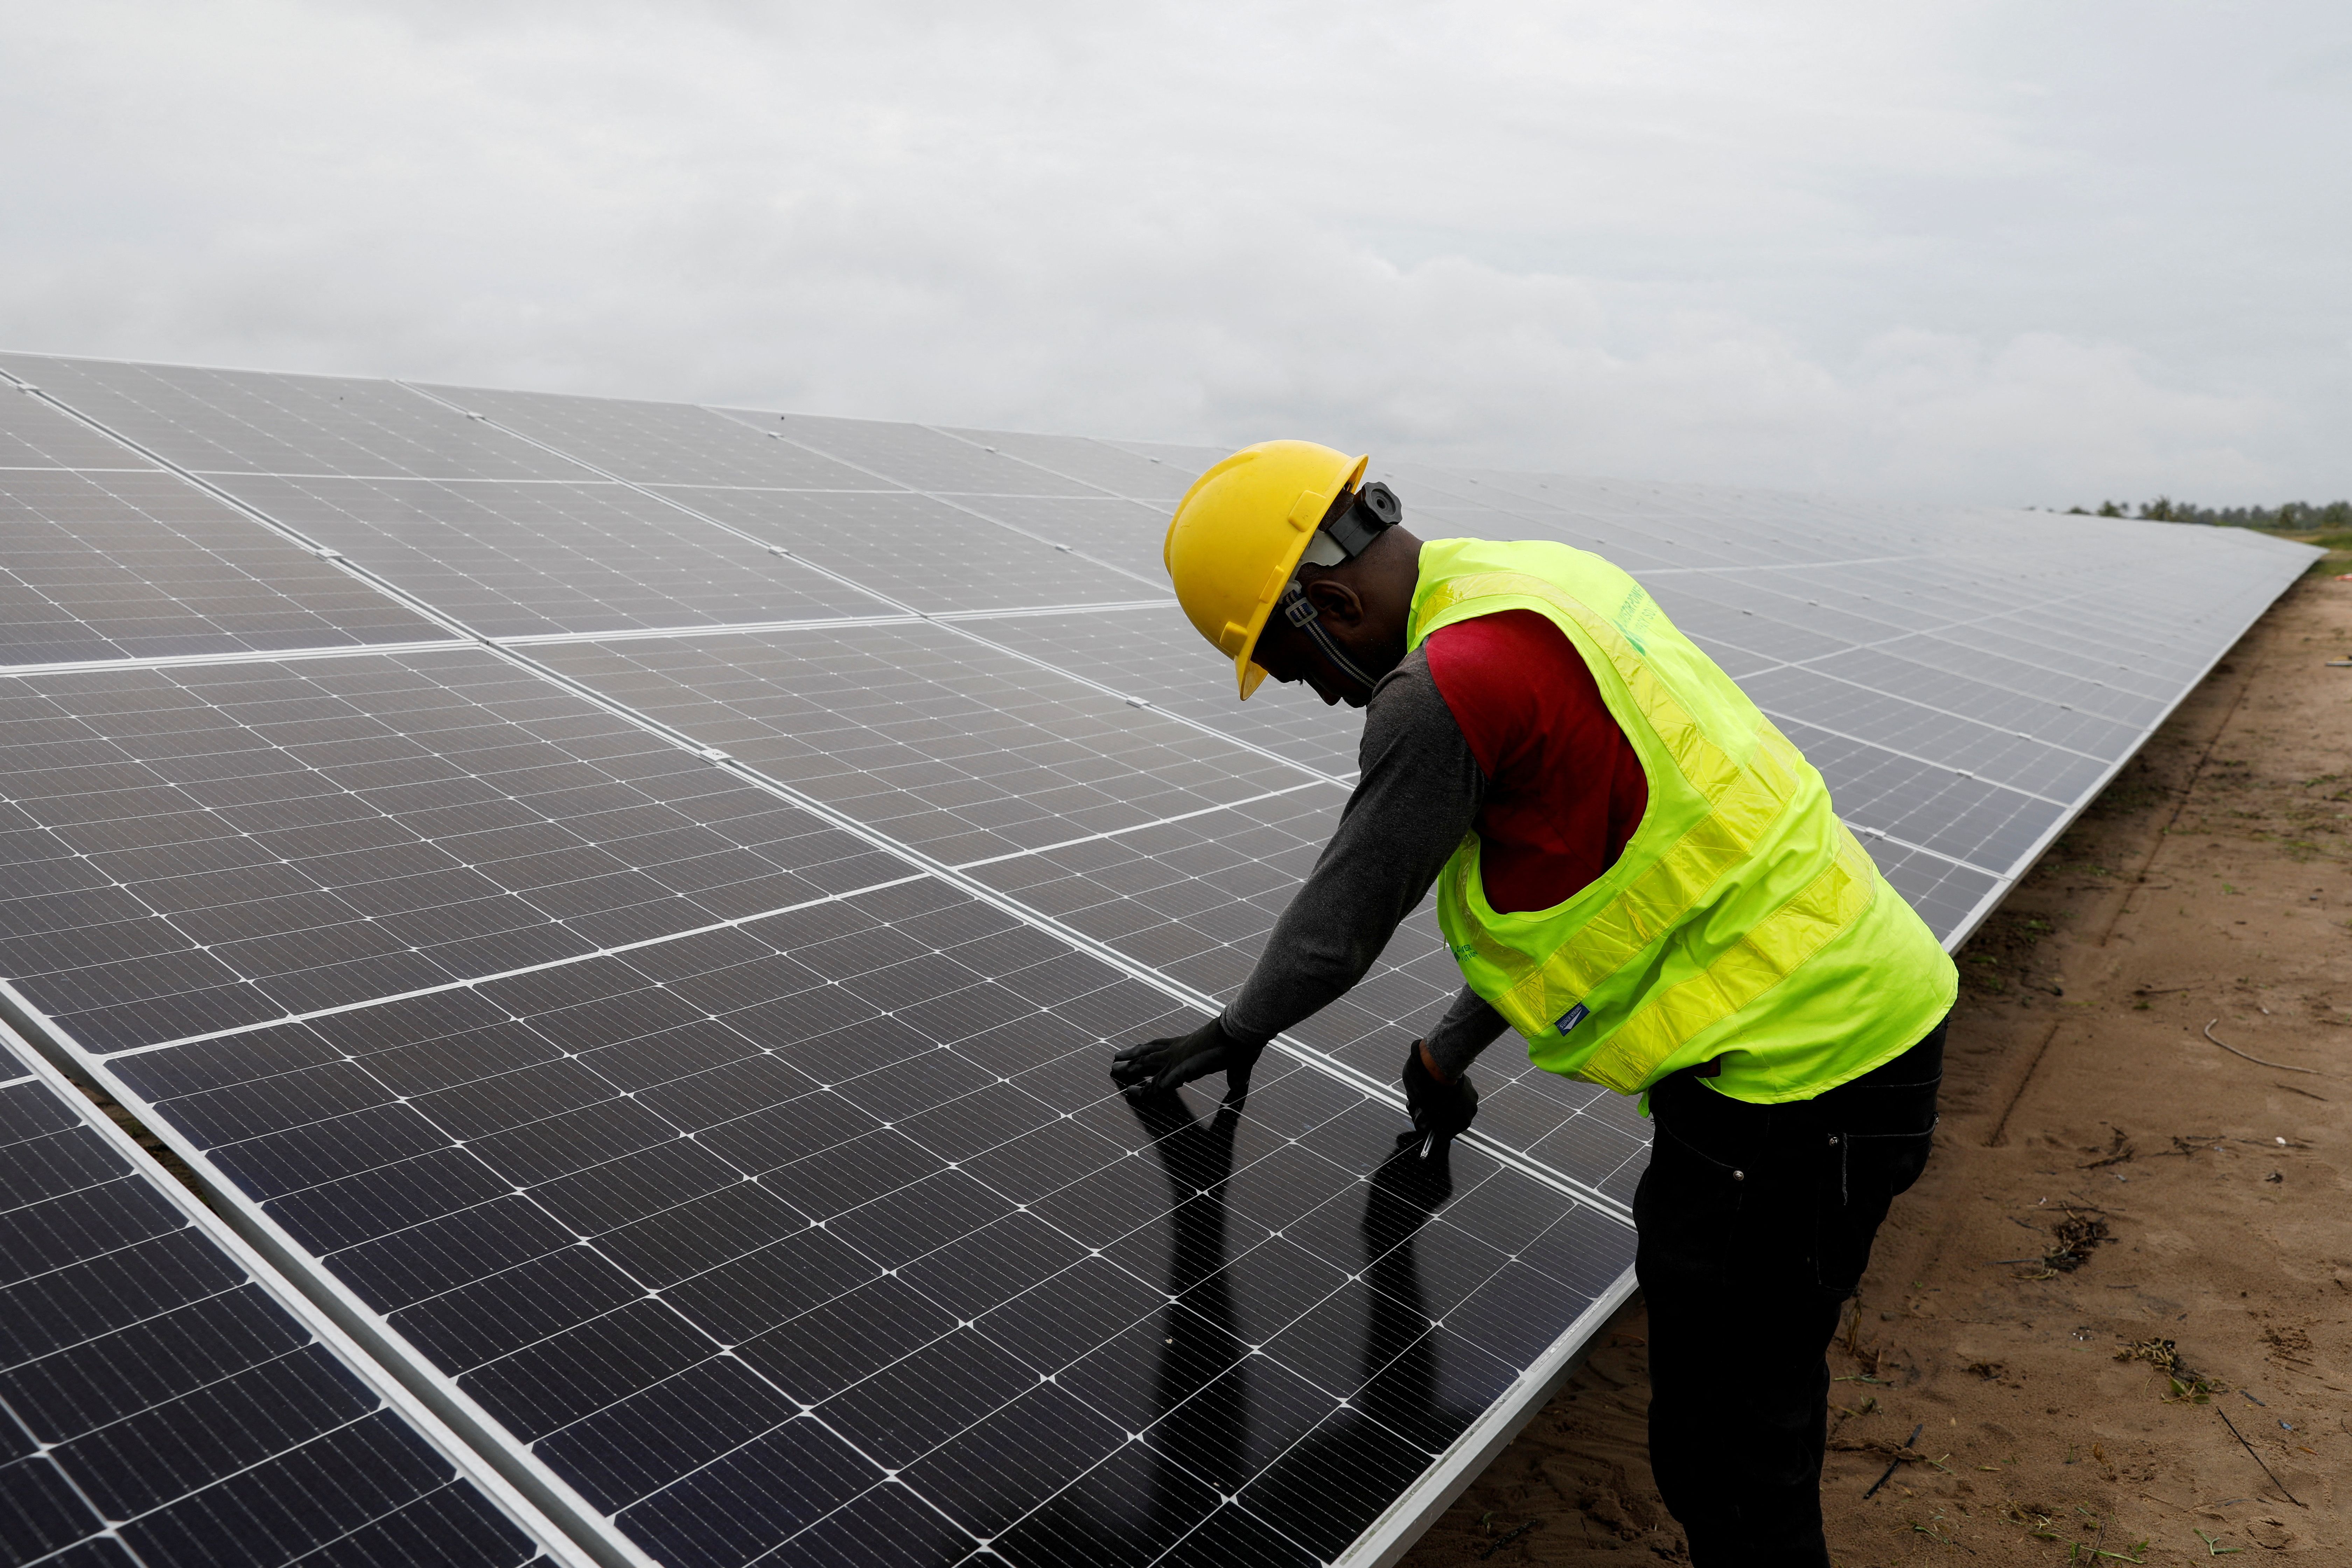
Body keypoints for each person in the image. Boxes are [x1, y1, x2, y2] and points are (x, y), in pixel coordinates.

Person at [1109, 441, 1956, 1568]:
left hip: (1791, 1085)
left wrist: (1234, 1030)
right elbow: (1612, 873)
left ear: (1330, 601)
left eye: (1292, 661)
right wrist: (1452, 1049)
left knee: (1729, 1454)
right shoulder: (1544, 584)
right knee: (1754, 1405)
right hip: (1866, 1012)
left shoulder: (1435, 694)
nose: (1313, 694)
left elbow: (1340, 925)